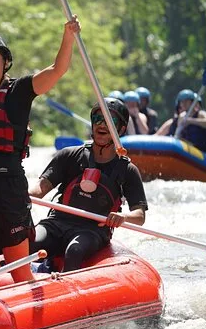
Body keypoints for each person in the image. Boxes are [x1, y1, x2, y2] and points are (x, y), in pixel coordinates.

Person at [0, 15, 81, 283]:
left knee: (18, 268)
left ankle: (35, 288)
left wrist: (68, 36)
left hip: (8, 188)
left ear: (5, 64)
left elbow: (57, 70)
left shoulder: (19, 91)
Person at [29, 98, 148, 272]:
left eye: (110, 120)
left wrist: (124, 217)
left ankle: (66, 283)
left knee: (74, 250)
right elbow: (40, 188)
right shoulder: (69, 155)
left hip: (93, 230)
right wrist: (22, 195)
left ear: (121, 129)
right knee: (29, 242)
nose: (101, 124)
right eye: (98, 119)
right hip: (57, 222)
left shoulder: (128, 170)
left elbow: (140, 215)